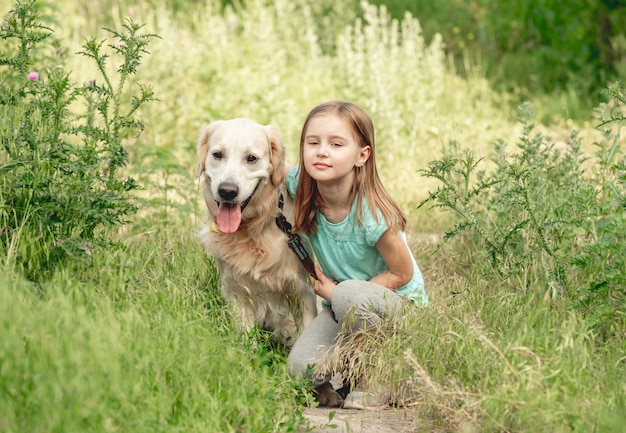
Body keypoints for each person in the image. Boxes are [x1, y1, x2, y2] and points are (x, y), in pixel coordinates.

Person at [285, 101, 428, 409]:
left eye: (336, 144)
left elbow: (401, 274)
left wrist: (337, 293)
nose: (322, 151)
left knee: (349, 292)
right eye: (313, 142)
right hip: (346, 304)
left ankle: (381, 377)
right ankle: (349, 366)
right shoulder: (301, 186)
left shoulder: (374, 215)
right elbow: (268, 173)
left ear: (361, 155)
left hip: (398, 307)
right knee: (301, 372)